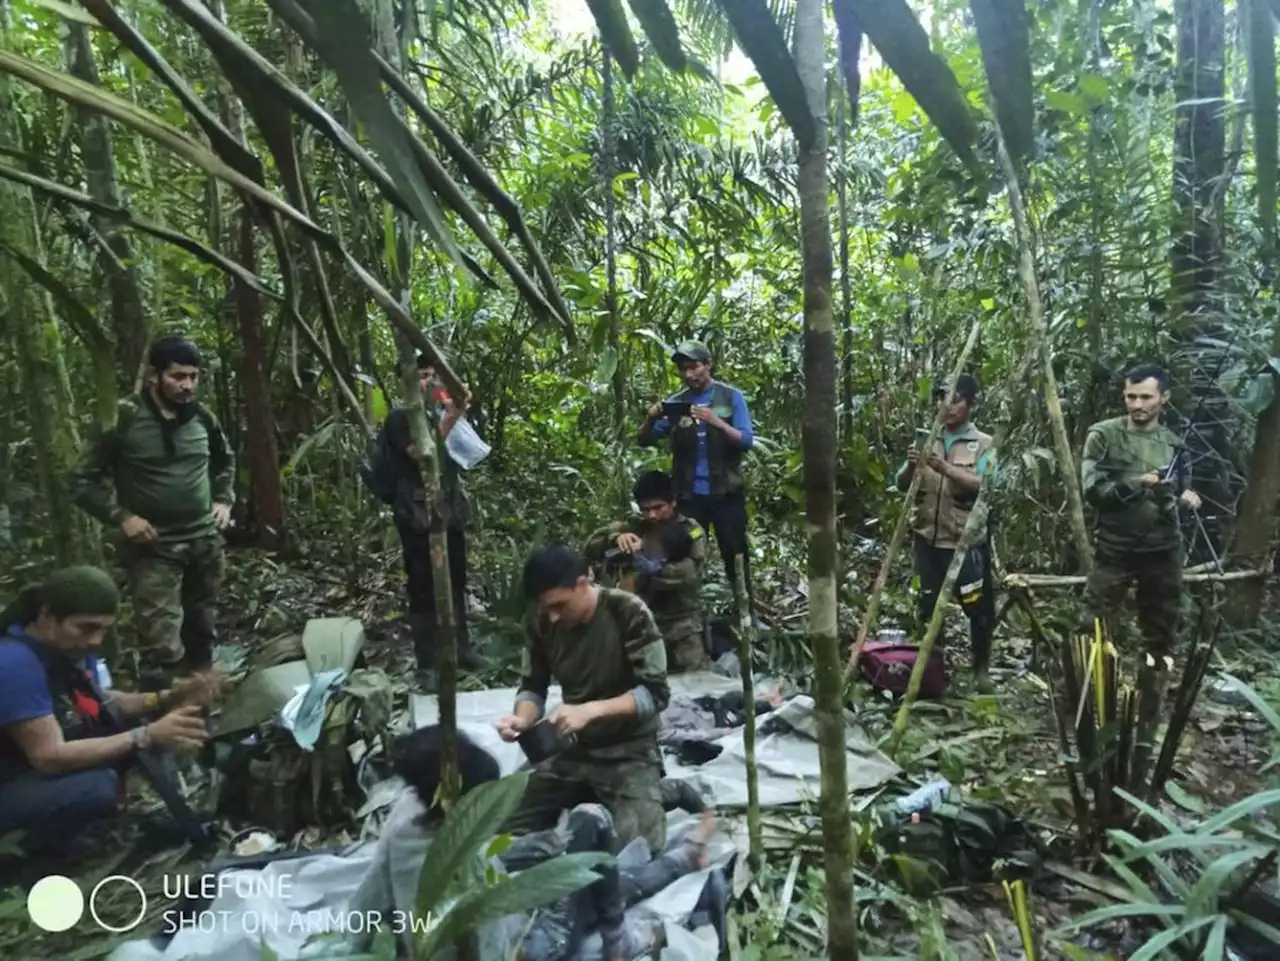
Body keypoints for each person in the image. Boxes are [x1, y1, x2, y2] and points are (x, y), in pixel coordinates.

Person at [345, 726, 719, 961]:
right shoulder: (462, 862)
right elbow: (492, 942)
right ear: (460, 800)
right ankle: (623, 937)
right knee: (595, 835)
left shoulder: (406, 817)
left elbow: (369, 899)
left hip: (504, 906)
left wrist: (349, 946)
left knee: (581, 867)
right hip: (529, 946)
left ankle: (687, 856)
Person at [0, 567, 215, 858]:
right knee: (95, 786)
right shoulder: (14, 663)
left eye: (103, 629)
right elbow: (48, 756)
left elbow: (101, 701)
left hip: (32, 764)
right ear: (48, 616)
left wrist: (165, 698)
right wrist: (145, 736)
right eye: (86, 628)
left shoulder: (64, 647)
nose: (96, 641)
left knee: (137, 729)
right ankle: (31, 855)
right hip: (13, 779)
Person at [71, 336, 233, 684]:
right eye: (177, 376)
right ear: (153, 376)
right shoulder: (123, 418)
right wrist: (122, 517)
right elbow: (81, 480)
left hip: (204, 542)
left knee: (203, 630)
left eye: (193, 376)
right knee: (162, 645)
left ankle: (201, 706)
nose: (187, 385)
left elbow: (225, 462)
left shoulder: (202, 417)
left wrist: (224, 499)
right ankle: (168, 722)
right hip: (154, 547)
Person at [495, 544, 669, 853]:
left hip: (628, 751)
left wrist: (591, 711)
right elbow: (533, 685)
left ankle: (666, 791)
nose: (552, 617)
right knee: (497, 824)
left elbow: (654, 695)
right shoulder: (542, 620)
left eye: (559, 606)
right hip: (572, 750)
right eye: (545, 607)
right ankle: (588, 797)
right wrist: (522, 718)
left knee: (640, 848)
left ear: (582, 583)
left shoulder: (627, 611)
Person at [1080, 363, 1201, 656]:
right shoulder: (1104, 435)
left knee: (1161, 635)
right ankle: (1081, 695)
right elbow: (1092, 490)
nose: (1137, 404)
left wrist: (1188, 499)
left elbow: (1179, 493)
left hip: (1162, 549)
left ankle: (1151, 698)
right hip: (1115, 547)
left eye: (1146, 397)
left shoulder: (1175, 444)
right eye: (1131, 397)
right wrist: (1138, 482)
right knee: (1091, 627)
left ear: (1164, 397)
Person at [378, 354, 483, 672]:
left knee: (456, 580)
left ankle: (460, 649)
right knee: (423, 587)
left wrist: (458, 410)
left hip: (447, 511)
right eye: (421, 376)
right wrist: (450, 415)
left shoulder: (438, 411)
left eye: (432, 375)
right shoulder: (400, 418)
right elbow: (423, 454)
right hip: (417, 516)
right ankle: (428, 661)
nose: (428, 382)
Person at [896, 374, 997, 690]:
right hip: (927, 540)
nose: (947, 406)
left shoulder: (984, 444)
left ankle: (980, 670)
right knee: (929, 609)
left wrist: (944, 468)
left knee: (977, 608)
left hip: (964, 543)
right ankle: (934, 673)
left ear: (970, 404)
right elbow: (901, 484)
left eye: (955, 400)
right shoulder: (929, 438)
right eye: (942, 398)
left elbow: (986, 488)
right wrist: (912, 466)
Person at [637, 341, 755, 604]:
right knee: (684, 553)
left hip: (726, 495)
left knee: (735, 554)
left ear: (708, 365)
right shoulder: (677, 404)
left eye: (694, 367)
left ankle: (746, 612)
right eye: (683, 369)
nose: (689, 374)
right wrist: (651, 418)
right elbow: (644, 439)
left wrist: (717, 422)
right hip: (689, 497)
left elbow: (746, 440)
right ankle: (689, 611)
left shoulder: (730, 397)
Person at [585, 471, 710, 673]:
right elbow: (591, 545)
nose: (652, 515)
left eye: (658, 508)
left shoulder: (691, 530)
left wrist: (649, 569)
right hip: (640, 625)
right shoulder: (634, 526)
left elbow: (690, 571)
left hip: (681, 624)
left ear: (673, 502)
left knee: (696, 684)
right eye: (646, 509)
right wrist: (616, 538)